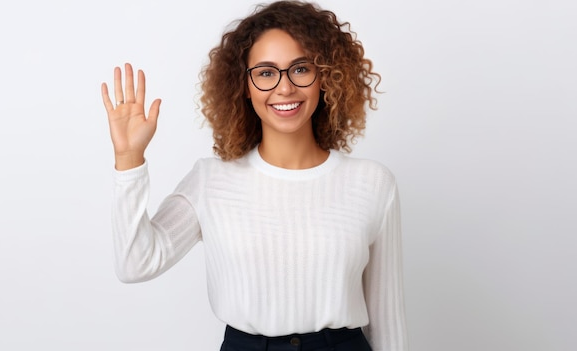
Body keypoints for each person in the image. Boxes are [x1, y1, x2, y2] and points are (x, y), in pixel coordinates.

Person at [101, 1, 408, 350]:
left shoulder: (372, 183)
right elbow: (135, 263)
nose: (285, 88)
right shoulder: (211, 180)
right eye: (265, 72)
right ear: (244, 86)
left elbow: (388, 320)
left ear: (324, 76)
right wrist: (128, 158)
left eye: (301, 69)